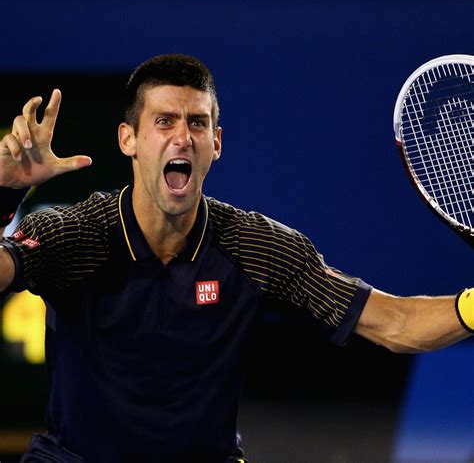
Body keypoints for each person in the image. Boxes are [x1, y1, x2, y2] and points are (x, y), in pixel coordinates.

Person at [0, 54, 471, 463]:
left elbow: (394, 323)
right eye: (164, 122)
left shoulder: (256, 247)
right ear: (128, 139)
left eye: (197, 123)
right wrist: (4, 195)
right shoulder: (76, 233)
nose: (183, 137)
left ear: (216, 143)